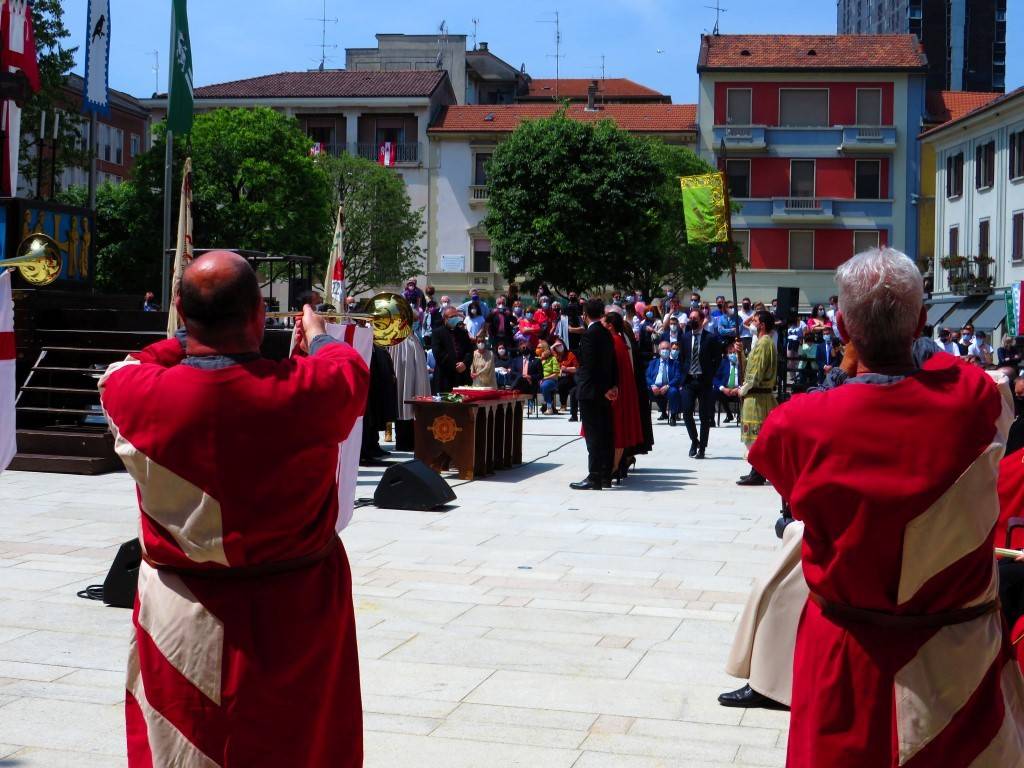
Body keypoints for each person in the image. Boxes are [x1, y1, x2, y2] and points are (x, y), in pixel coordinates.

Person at [749, 247, 1024, 767]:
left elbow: (780, 475)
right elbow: (956, 369)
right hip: (956, 655)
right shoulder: (973, 400)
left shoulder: (797, 423)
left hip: (845, 652)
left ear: (839, 326)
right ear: (922, 321)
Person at [98, 251, 368, 767]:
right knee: (302, 744)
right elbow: (348, 368)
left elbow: (136, 362)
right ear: (259, 316)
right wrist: (319, 335)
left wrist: (184, 335)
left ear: (180, 311)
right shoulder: (308, 390)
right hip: (296, 612)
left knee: (184, 743)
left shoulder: (133, 393)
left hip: (183, 610)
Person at [723, 310, 778, 486]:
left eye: (754, 320)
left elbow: (755, 374)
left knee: (756, 436)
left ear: (761, 324)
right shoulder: (761, 343)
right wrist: (740, 353)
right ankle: (756, 470)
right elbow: (749, 368)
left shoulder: (764, 344)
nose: (751, 323)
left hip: (757, 397)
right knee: (754, 436)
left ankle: (759, 472)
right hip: (755, 395)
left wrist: (742, 390)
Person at [571, 299, 618, 490]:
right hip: (604, 391)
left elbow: (591, 367)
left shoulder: (590, 335)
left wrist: (603, 389)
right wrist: (612, 386)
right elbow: (611, 363)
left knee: (593, 436)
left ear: (585, 314)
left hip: (592, 392)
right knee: (605, 433)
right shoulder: (606, 333)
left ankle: (594, 476)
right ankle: (606, 475)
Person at [603, 309, 644, 482]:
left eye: (604, 323)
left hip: (615, 394)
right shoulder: (620, 341)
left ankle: (611, 468)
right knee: (619, 432)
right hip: (623, 392)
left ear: (610, 326)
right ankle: (614, 467)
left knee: (617, 433)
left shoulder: (613, 342)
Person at [678, 309, 724, 459]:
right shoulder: (685, 337)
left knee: (705, 416)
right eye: (690, 318)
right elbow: (682, 358)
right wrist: (683, 376)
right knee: (686, 412)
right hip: (689, 380)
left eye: (695, 318)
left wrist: (710, 374)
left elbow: (717, 359)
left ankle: (702, 447)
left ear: (702, 320)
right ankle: (694, 440)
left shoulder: (710, 338)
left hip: (704, 381)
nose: (692, 320)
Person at [389, 333, 431, 451]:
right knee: (403, 401)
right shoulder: (398, 340)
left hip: (415, 379)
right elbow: (399, 362)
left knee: (412, 405)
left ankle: (413, 440)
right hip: (403, 378)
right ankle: (403, 442)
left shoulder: (415, 337)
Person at [432, 308, 470, 392]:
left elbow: (469, 351)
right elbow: (439, 354)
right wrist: (455, 365)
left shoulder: (463, 333)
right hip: (445, 376)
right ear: (445, 318)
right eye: (452, 316)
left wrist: (465, 363)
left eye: (456, 316)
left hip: (462, 375)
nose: (455, 318)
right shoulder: (437, 333)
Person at [647, 340, 682, 425]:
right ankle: (644, 417)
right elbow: (647, 376)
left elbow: (677, 377)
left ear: (670, 350)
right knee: (642, 392)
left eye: (667, 348)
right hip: (654, 387)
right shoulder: (653, 362)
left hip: (668, 387)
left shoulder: (675, 363)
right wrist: (652, 385)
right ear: (659, 350)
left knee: (674, 392)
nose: (665, 350)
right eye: (663, 348)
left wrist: (667, 386)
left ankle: (673, 416)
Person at [713, 338, 744, 423]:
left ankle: (741, 415)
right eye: (730, 353)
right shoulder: (723, 363)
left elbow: (746, 378)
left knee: (745, 394)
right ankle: (726, 415)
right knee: (714, 392)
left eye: (734, 353)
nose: (732, 354)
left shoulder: (742, 363)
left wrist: (738, 388)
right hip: (726, 390)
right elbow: (715, 378)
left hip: (739, 390)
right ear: (726, 354)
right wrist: (723, 388)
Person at [553, 339, 579, 421]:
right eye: (557, 346)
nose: (559, 347)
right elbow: (548, 350)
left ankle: (563, 404)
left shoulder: (570, 354)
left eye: (560, 345)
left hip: (570, 377)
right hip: (556, 377)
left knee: (563, 382)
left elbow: (576, 368)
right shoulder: (555, 356)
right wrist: (553, 346)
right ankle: (550, 407)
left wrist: (566, 368)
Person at [537, 341, 562, 413]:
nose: (537, 349)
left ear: (545, 349)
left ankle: (549, 407)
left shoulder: (552, 359)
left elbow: (556, 374)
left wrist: (545, 378)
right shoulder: (537, 359)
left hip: (551, 380)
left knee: (544, 386)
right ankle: (531, 407)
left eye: (539, 348)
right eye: (537, 347)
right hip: (539, 379)